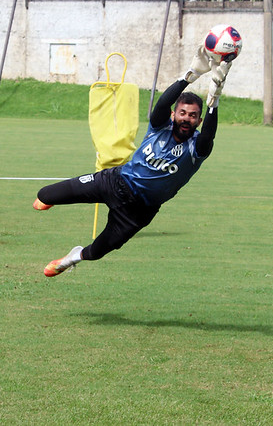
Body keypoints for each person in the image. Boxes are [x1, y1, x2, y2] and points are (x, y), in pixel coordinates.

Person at [33, 44, 237, 277]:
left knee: (98, 250)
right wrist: (190, 74)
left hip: (138, 211)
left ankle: (72, 257)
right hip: (114, 181)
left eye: (192, 116)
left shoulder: (197, 147)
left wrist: (215, 97)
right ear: (174, 114)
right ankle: (51, 199)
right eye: (182, 113)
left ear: (198, 121)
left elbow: (210, 134)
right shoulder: (160, 125)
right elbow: (161, 104)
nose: (186, 119)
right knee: (44, 195)